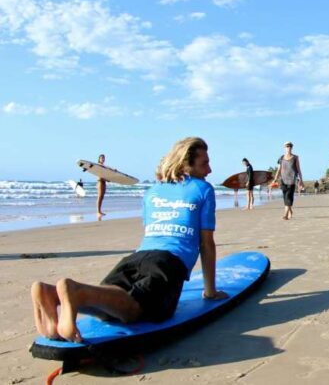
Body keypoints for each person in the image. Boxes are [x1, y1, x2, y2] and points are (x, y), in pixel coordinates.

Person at [31, 137, 228, 342]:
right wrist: (210, 292)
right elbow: (206, 244)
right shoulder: (203, 189)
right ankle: (74, 291)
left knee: (110, 307)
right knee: (137, 310)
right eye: (204, 163)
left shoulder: (152, 192)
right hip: (169, 263)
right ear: (185, 165)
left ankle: (52, 293)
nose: (209, 170)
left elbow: (151, 231)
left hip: (136, 258)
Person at [270, 142, 303, 220]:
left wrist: (301, 180)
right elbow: (279, 169)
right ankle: (290, 211)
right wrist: (275, 179)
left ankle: (285, 214)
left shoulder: (295, 157)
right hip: (283, 180)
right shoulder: (281, 158)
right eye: (287, 146)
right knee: (285, 197)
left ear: (292, 148)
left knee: (289, 196)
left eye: (290, 146)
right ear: (284, 148)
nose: (288, 148)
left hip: (292, 180)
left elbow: (298, 169)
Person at [96, 154, 107, 219]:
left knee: (102, 197)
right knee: (99, 197)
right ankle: (98, 212)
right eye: (101, 158)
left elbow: (106, 175)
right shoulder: (97, 165)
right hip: (100, 182)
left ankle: (100, 211)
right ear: (99, 159)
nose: (103, 159)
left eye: (103, 158)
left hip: (104, 182)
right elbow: (99, 174)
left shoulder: (104, 166)